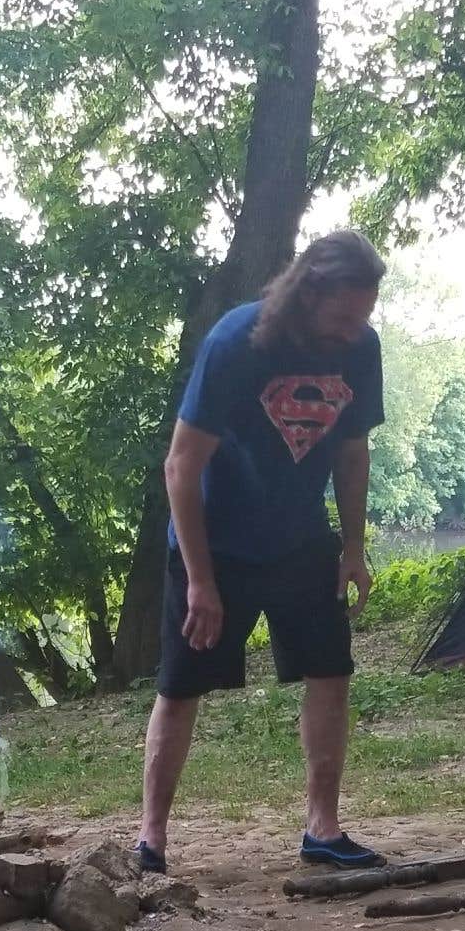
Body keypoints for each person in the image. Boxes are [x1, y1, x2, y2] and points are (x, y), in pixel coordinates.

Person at [136, 228, 388, 874]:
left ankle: (323, 829)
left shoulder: (360, 349)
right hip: (213, 540)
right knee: (181, 685)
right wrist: (200, 581)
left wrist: (353, 547)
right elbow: (180, 468)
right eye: (342, 317)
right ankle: (151, 842)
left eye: (363, 316)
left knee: (331, 671)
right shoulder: (238, 344)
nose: (353, 331)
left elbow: (351, 452)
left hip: (301, 538)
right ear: (308, 294)